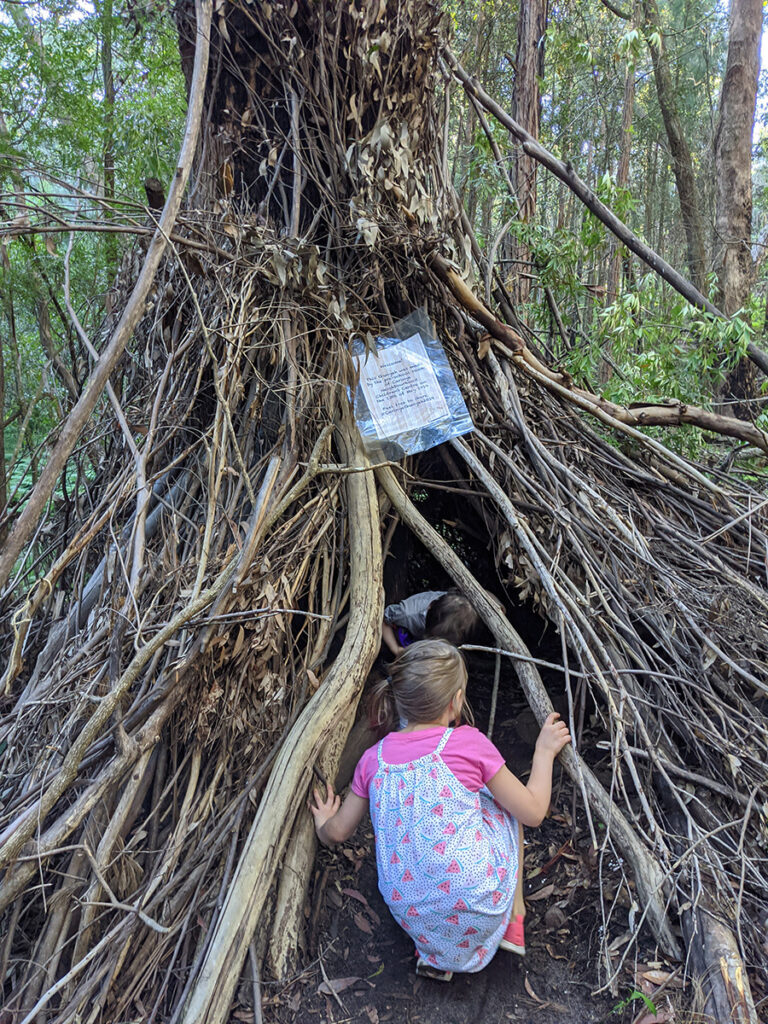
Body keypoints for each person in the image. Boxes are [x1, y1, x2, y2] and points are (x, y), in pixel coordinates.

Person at [310, 639, 571, 981]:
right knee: (503, 807)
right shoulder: (469, 743)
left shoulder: (373, 759)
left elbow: (338, 833)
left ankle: (435, 952)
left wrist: (322, 823)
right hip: (478, 903)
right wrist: (544, 753)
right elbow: (534, 812)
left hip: (411, 913)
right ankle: (513, 922)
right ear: (456, 701)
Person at [381, 589, 480, 656]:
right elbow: (384, 619)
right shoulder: (406, 613)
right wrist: (396, 649)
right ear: (430, 606)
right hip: (406, 632)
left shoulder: (463, 609)